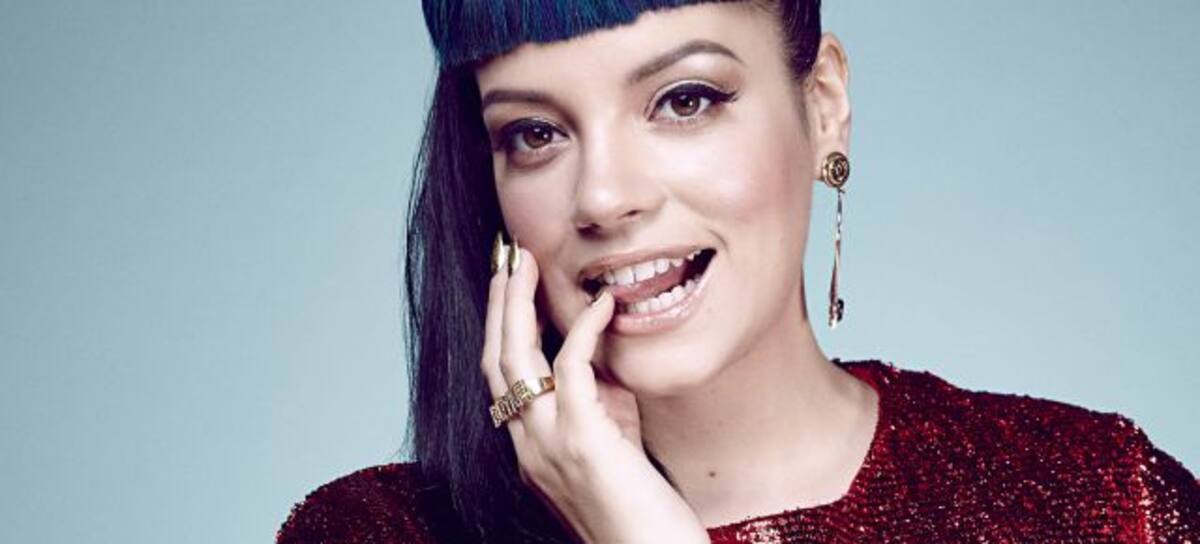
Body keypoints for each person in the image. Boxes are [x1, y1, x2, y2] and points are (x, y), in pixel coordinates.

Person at [276, 1, 1200, 542]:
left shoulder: (1103, 500)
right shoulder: (369, 534)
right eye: (536, 133)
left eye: (684, 101)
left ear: (823, 106)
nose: (604, 196)